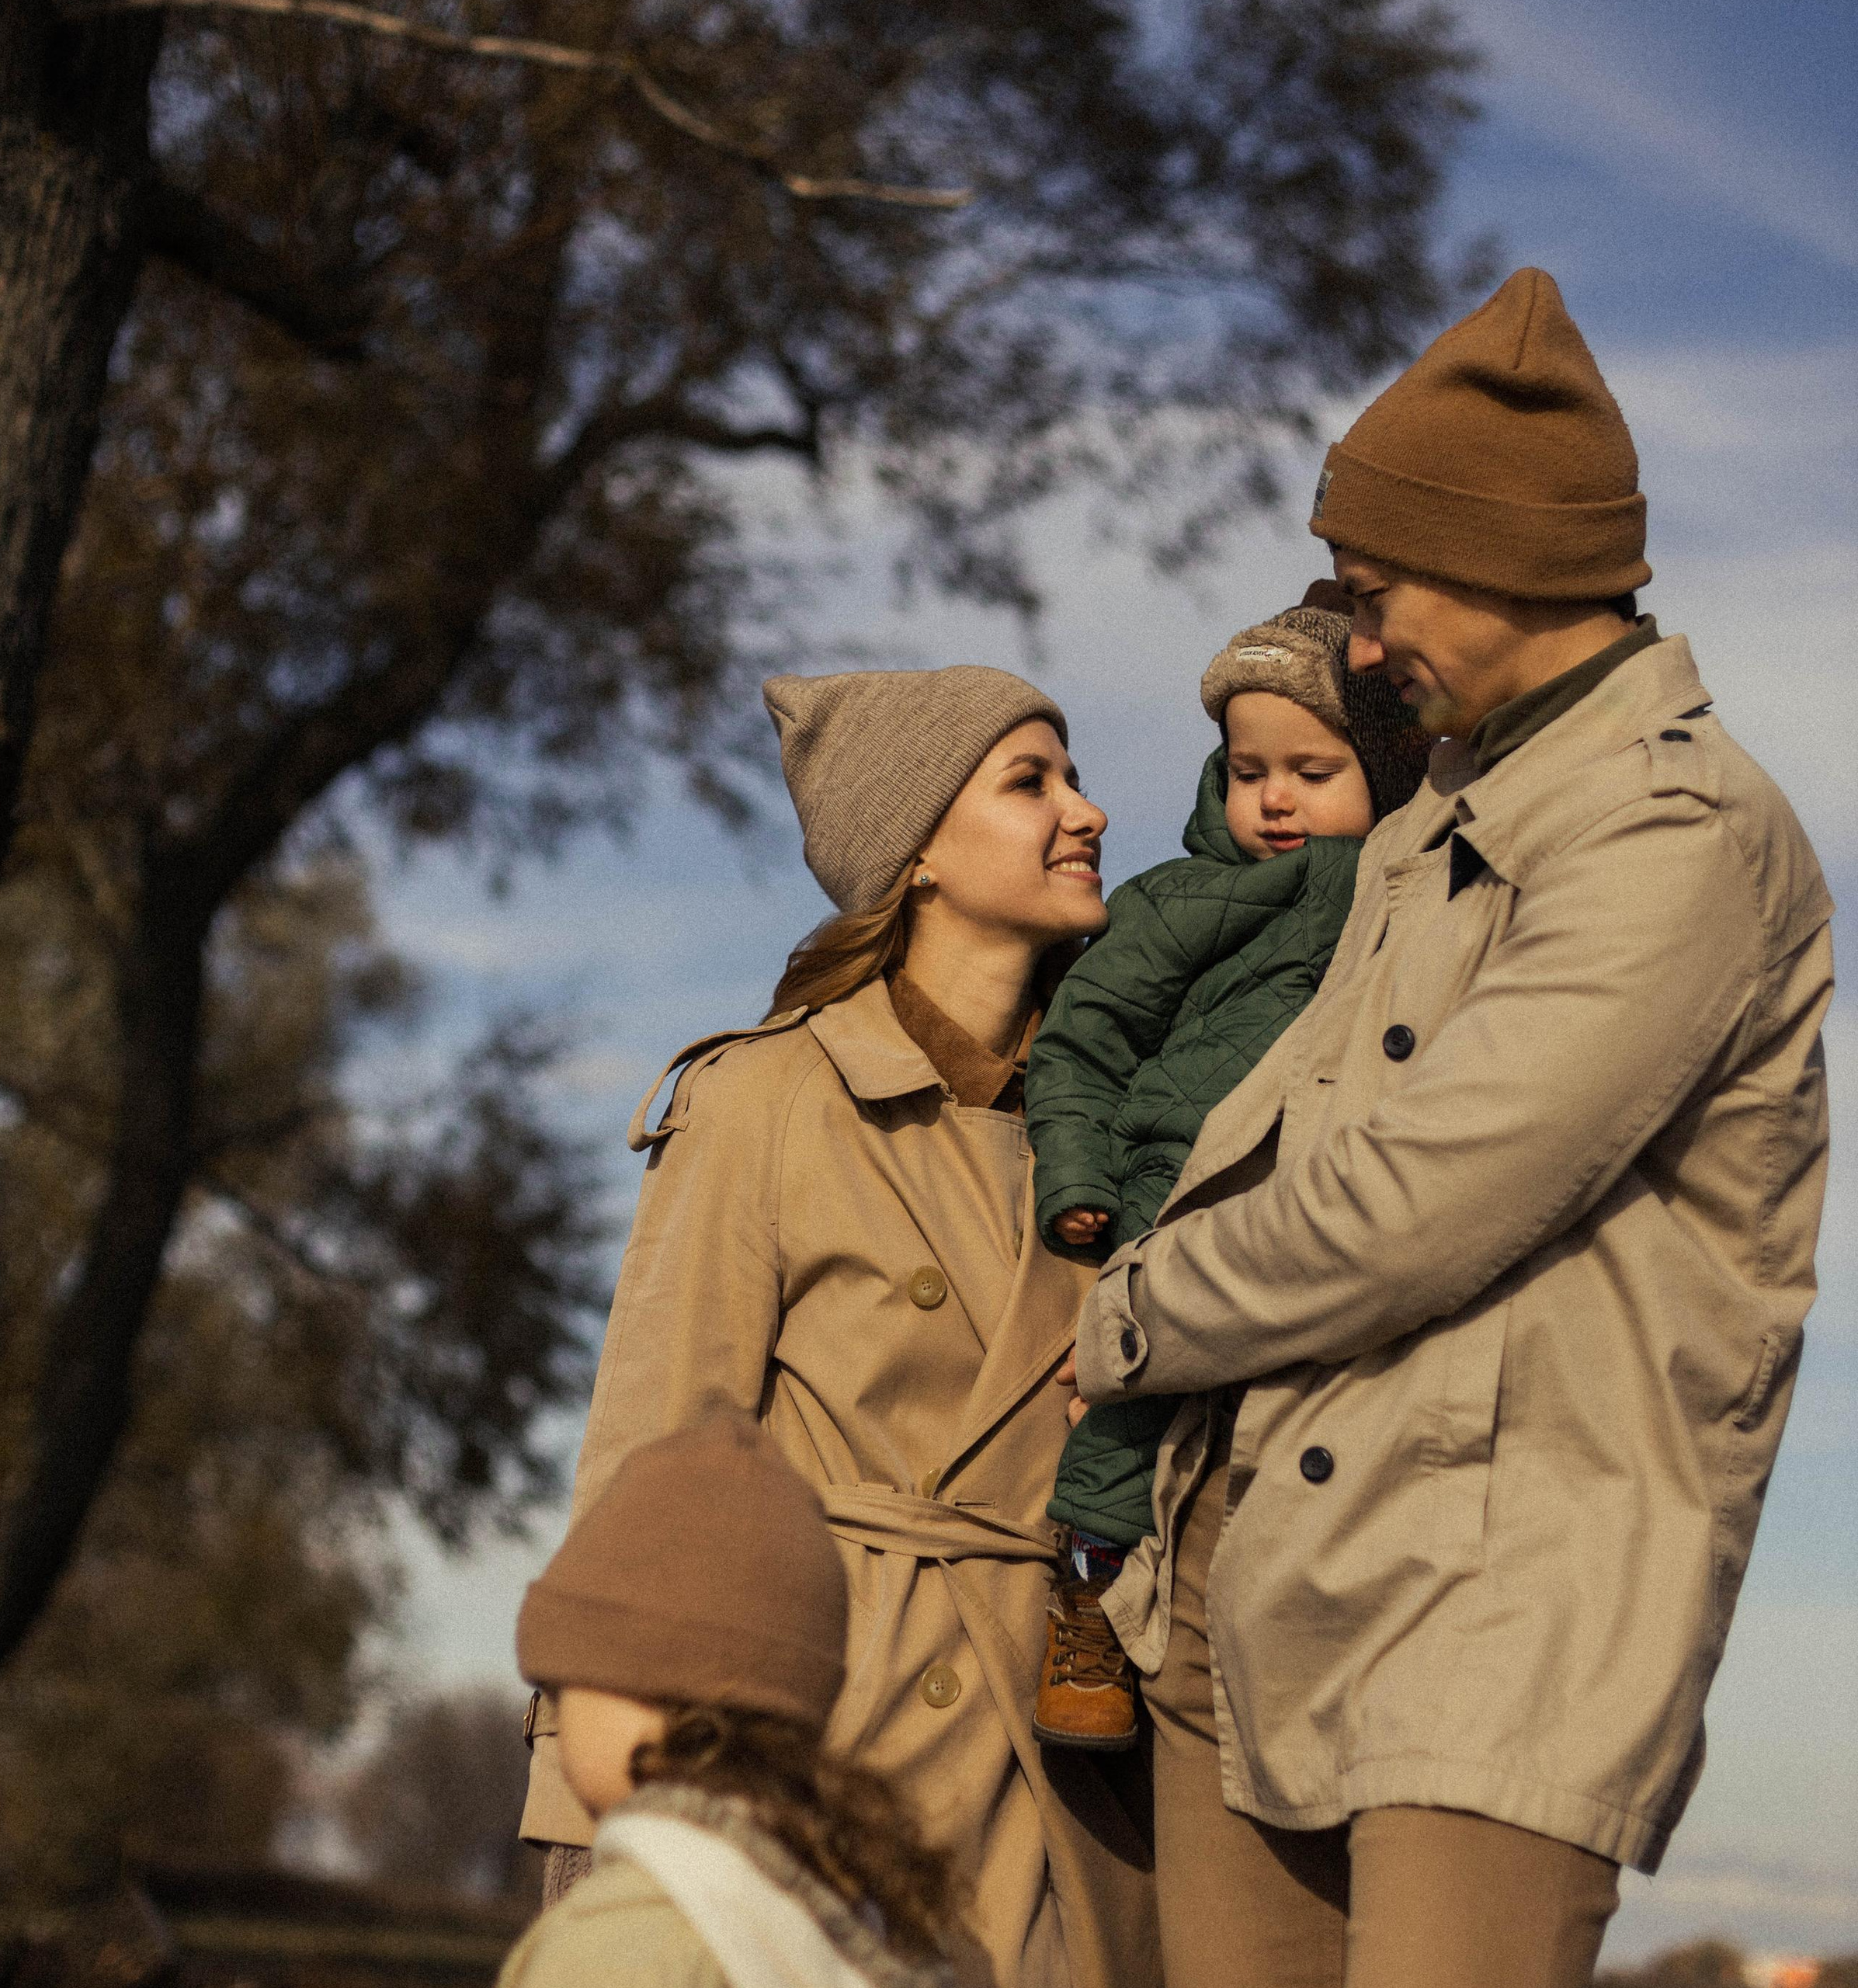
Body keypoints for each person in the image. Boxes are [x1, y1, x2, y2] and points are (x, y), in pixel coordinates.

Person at [1071, 267, 1833, 1987]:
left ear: (1502, 561)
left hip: (1494, 1621)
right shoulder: (1426, 821)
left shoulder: (1678, 835)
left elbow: (1418, 1195)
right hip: (1254, 1577)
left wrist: (1128, 1313)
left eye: (1372, 588)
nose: (1351, 645)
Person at [519, 664, 1160, 1988]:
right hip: (835, 1750)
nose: (1087, 812)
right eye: (1030, 782)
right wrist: (583, 1817)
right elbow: (651, 1473)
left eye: (1077, 775)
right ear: (918, 848)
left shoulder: (1131, 1123)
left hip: (1075, 1756)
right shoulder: (760, 1102)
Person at [1022, 592, 1426, 1750]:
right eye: (1249, 771)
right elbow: (1085, 1041)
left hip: (1326, 1204)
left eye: (1311, 767)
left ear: (1388, 771)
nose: (1277, 798)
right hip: (1177, 1189)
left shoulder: (1418, 905)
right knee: (1124, 1408)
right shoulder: (1180, 902)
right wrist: (1079, 1176)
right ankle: (1089, 1603)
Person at [498, 1416, 971, 1988]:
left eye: (561, 1686)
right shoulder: (864, 1915)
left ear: (637, 1694)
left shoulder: (614, 1948)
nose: (557, 1718)